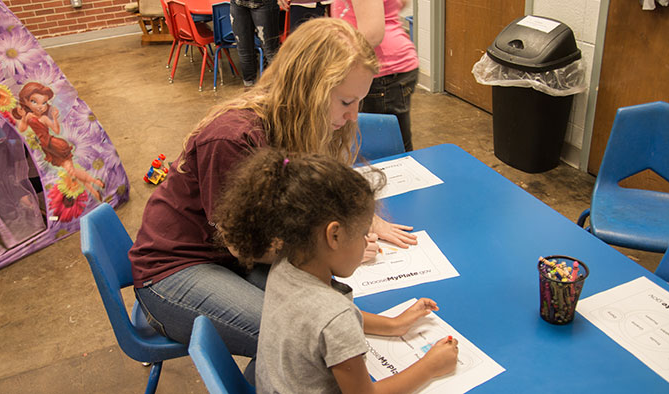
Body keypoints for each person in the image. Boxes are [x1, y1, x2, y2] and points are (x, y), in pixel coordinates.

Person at [128, 17, 417, 381]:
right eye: (346, 101)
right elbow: (242, 244)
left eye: (359, 101)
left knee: (321, 309)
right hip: (176, 270)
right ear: (310, 89)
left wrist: (359, 220)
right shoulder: (233, 139)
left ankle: (382, 326)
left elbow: (312, 196)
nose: (352, 115)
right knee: (304, 337)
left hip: (236, 262)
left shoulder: (305, 123)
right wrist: (330, 244)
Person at [213, 148, 459, 393]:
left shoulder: (284, 265)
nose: (367, 243)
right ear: (334, 235)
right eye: (364, 234)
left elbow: (320, 324)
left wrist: (392, 324)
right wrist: (430, 366)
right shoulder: (336, 317)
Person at [332, 0, 419, 152]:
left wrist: (336, 63)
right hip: (385, 66)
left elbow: (371, 35)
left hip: (383, 70)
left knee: (386, 150)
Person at [13, 82, 104, 201]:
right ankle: (95, 190)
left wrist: (54, 118)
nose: (40, 106)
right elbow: (22, 129)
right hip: (47, 147)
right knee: (70, 171)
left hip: (55, 145)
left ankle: (95, 183)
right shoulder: (29, 116)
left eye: (44, 103)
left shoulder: (43, 118)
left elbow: (56, 130)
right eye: (34, 102)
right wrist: (22, 116)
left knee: (70, 171)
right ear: (26, 102)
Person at [230, 0, 281, 86]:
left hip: (264, 4)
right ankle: (249, 92)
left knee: (271, 53)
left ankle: (280, 91)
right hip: (238, 4)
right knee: (244, 52)